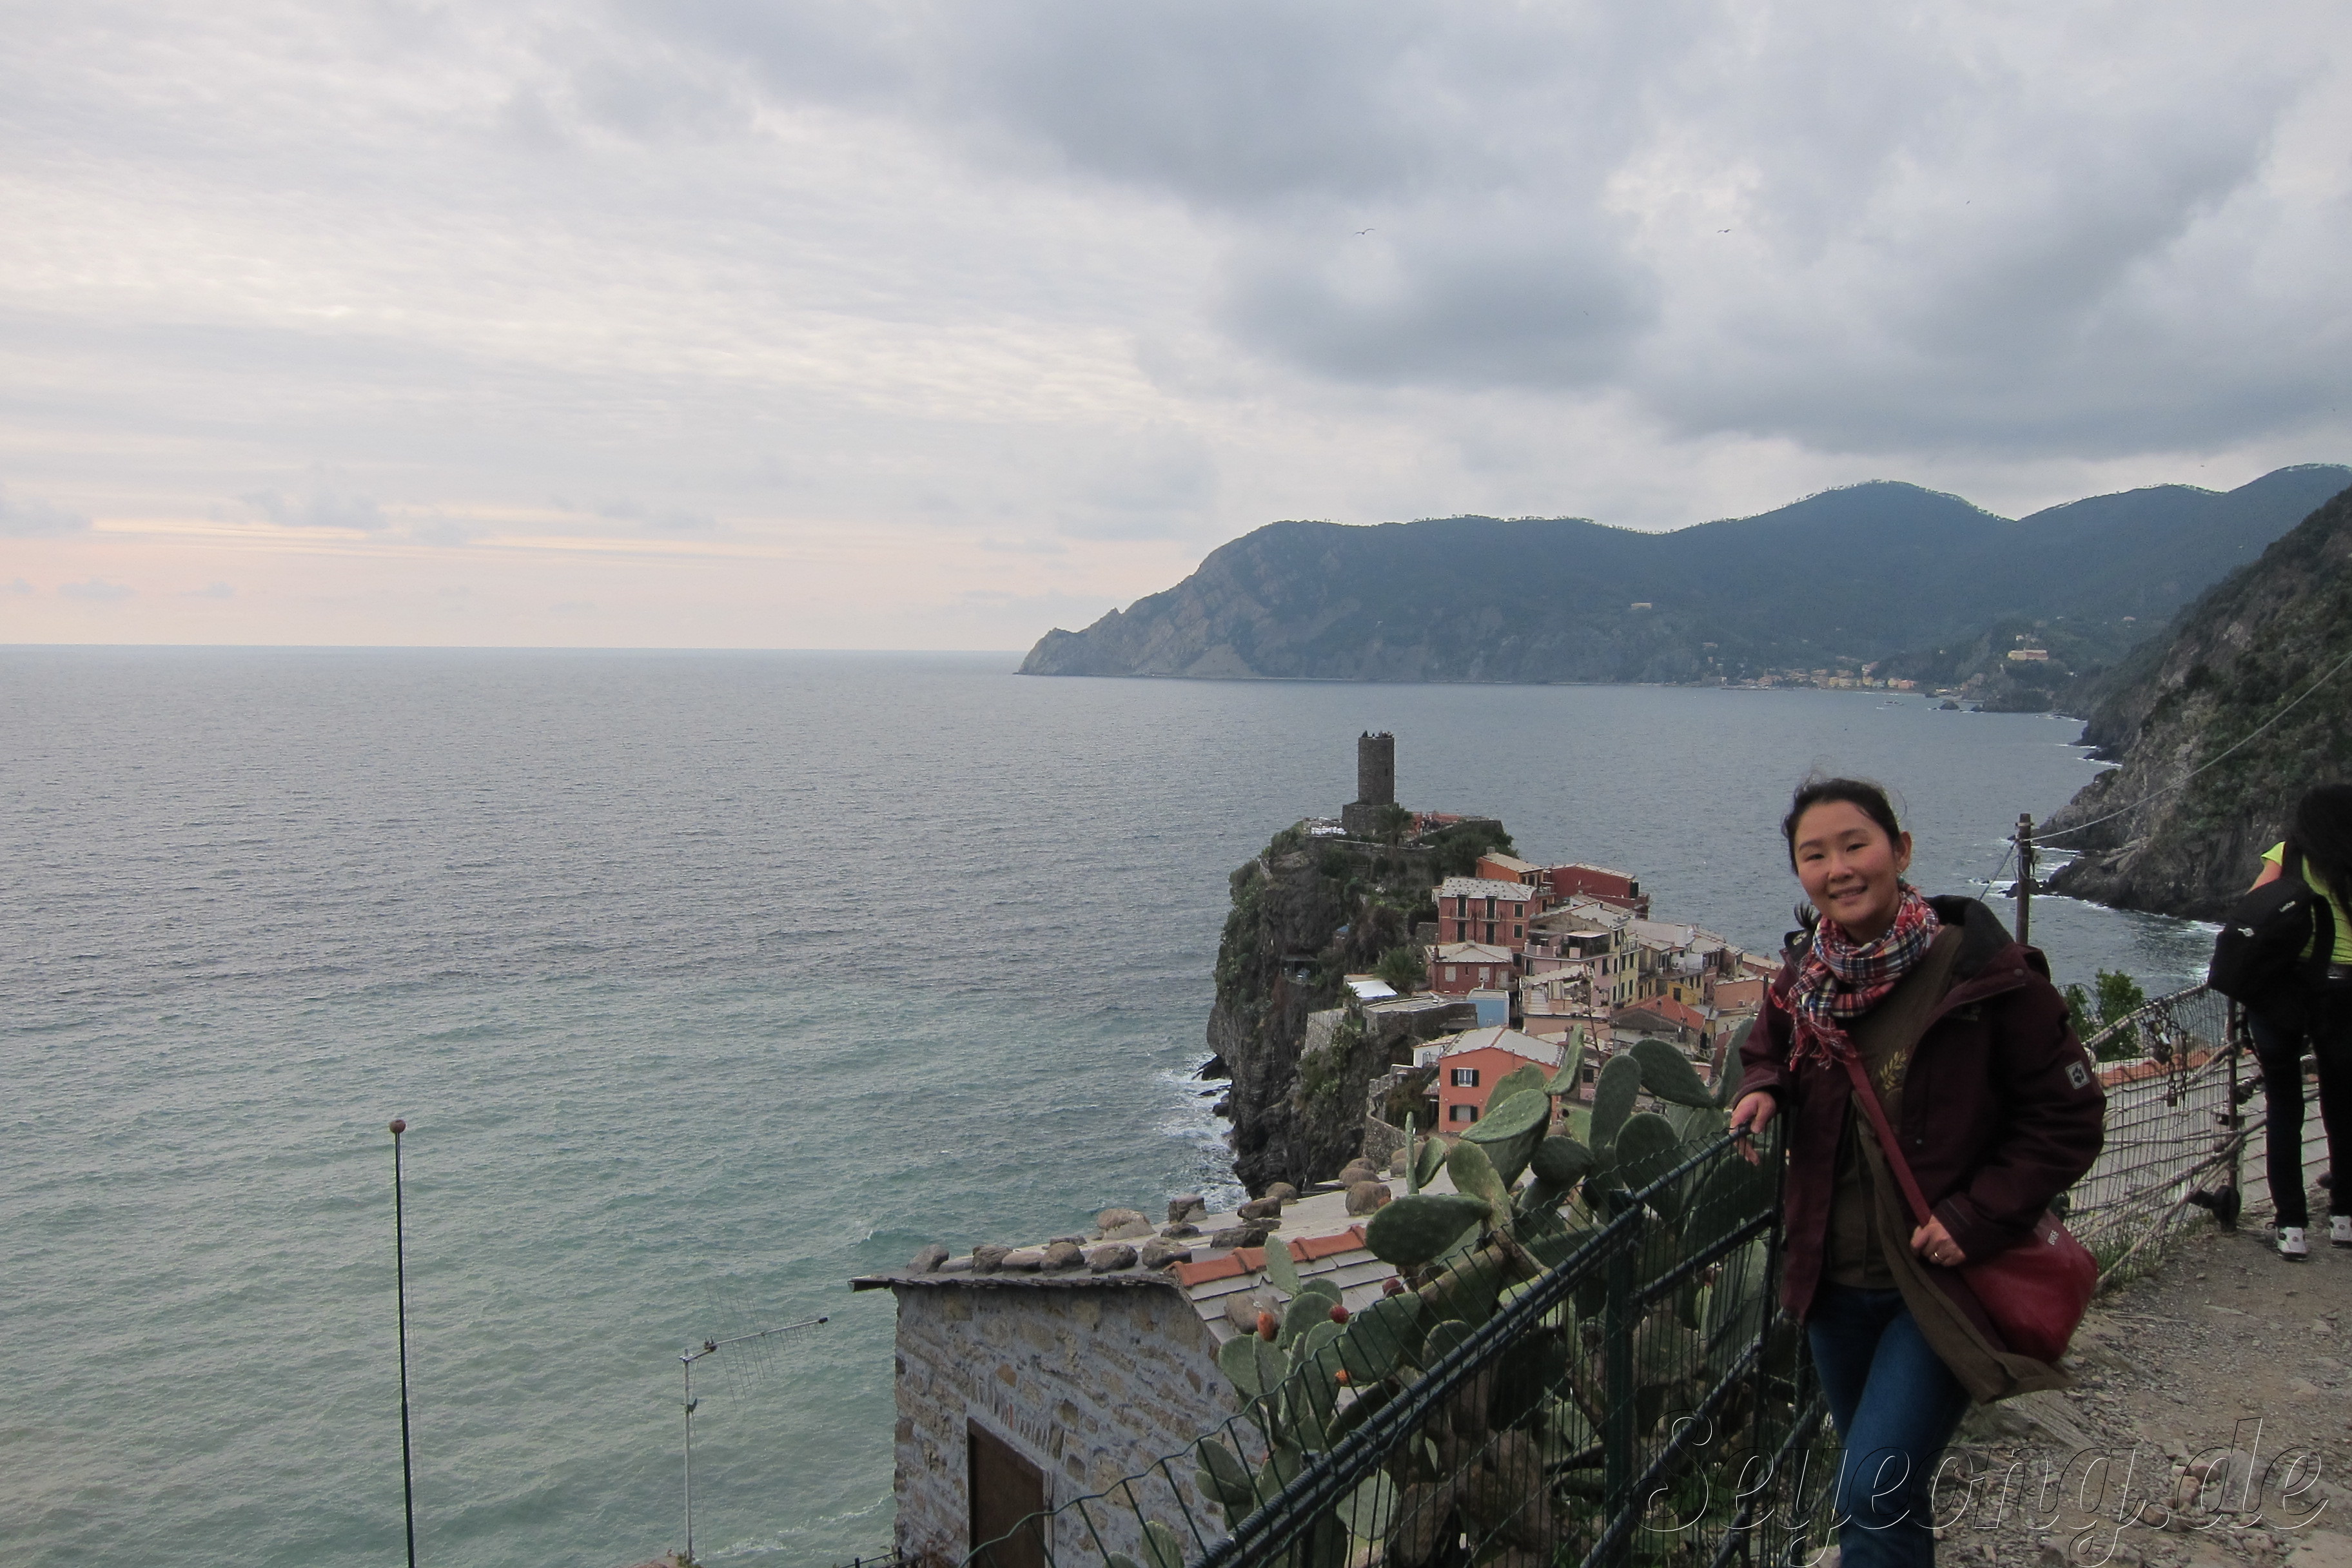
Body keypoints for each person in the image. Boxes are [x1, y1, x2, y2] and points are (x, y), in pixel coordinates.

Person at [1730, 778, 2104, 1568]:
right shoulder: (1806, 977)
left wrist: (1976, 1214)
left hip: (1938, 1285)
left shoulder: (1984, 974)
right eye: (1815, 854)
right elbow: (1768, 1043)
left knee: (1872, 1490)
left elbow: (2067, 1116)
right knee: (1888, 1491)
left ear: (1900, 850)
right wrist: (1762, 1085)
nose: (1839, 867)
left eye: (1855, 844)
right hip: (1831, 1281)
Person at [2242, 783, 2352, 1260]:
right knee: (2343, 1106)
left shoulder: (2287, 855)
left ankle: (2291, 1227)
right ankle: (2345, 1217)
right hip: (2346, 992)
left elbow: (2253, 910)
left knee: (2284, 1107)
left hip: (2284, 992)